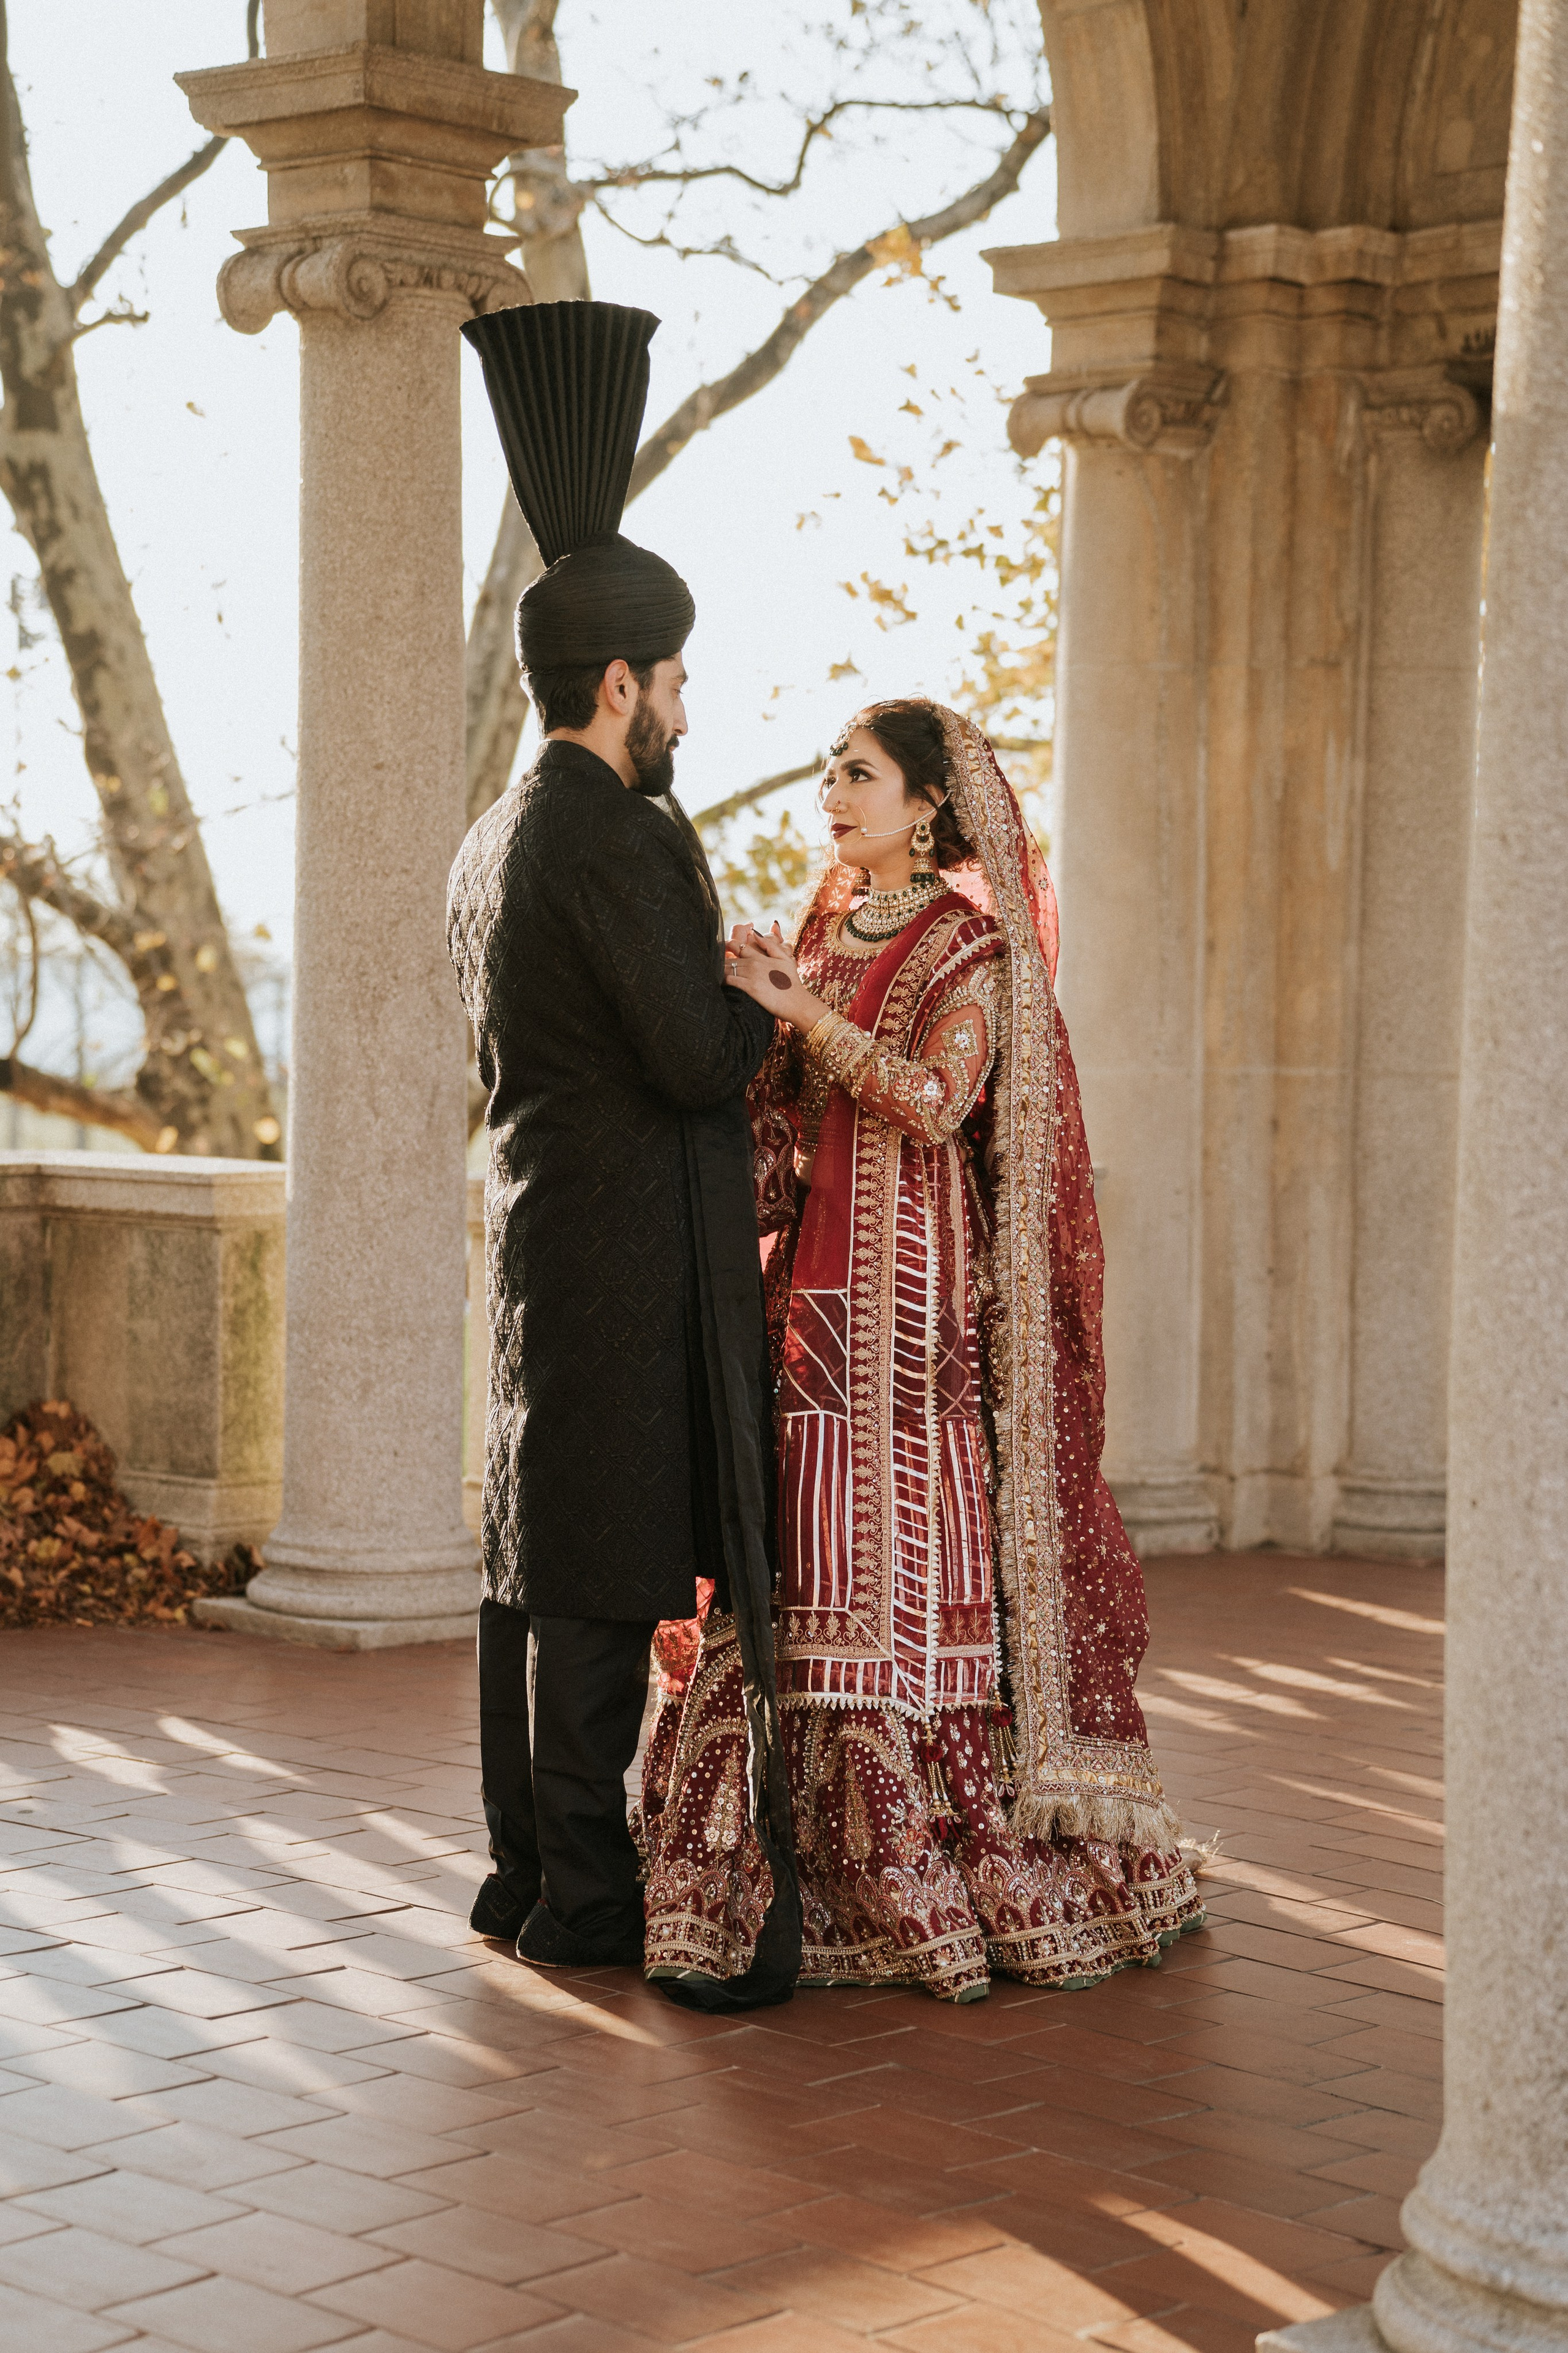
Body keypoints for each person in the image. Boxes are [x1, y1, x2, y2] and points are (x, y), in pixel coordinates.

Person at [640, 697, 1204, 2002]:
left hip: (913, 1300)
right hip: (815, 1298)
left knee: (890, 1557)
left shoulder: (972, 950)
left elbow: (940, 1100)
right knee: (802, 1549)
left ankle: (914, 1864)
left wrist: (806, 1017)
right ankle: (784, 1852)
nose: (831, 794)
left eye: (859, 775)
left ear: (928, 805)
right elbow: (785, 1110)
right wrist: (755, 1038)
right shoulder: (826, 925)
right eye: (830, 773)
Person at [448, 300, 797, 1978]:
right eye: (672, 682)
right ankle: (586, 1908)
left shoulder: (495, 831)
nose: (685, 710)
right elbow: (684, 1057)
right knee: (588, 1587)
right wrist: (767, 996)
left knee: (530, 1574)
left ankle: (523, 1877)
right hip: (616, 1256)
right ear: (615, 683)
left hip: (533, 1240)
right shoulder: (618, 835)